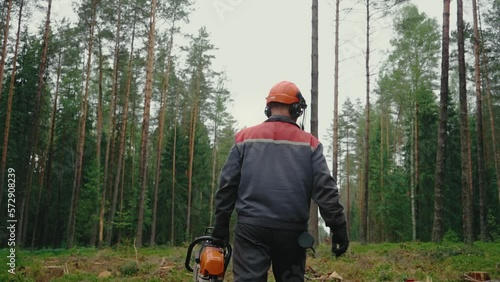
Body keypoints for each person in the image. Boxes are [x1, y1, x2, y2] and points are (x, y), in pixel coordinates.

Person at [212, 81, 349, 282]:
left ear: (268, 108)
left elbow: (227, 187)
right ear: (297, 109)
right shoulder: (310, 144)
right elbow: (325, 190)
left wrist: (220, 226)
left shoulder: (244, 138)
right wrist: (338, 228)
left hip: (251, 229)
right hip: (291, 233)